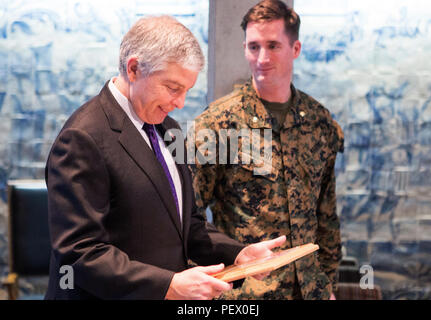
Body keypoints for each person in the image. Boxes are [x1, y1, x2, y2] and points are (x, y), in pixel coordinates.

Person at [44, 15, 286, 300]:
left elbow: (187, 224)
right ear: (133, 69)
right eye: (173, 88)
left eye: (186, 90)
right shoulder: (83, 138)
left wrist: (238, 253)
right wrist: (166, 285)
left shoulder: (168, 129)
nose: (180, 103)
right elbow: (80, 253)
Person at [190, 0, 344, 300]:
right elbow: (188, 220)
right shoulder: (217, 124)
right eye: (253, 46)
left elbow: (327, 220)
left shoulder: (320, 123)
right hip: (247, 295)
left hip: (311, 291)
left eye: (273, 45)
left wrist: (328, 286)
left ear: (295, 49)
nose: (262, 58)